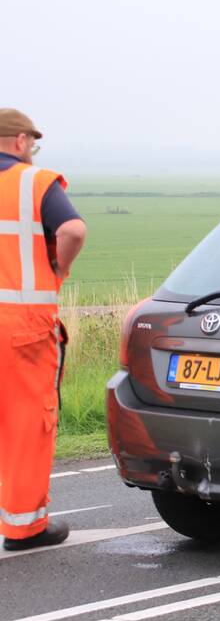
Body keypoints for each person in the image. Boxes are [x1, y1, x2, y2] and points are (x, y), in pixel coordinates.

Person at [0, 109, 86, 551]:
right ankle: (24, 526)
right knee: (26, 423)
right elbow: (71, 228)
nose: (32, 151)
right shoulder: (33, 182)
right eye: (32, 143)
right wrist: (58, 267)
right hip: (20, 328)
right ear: (19, 141)